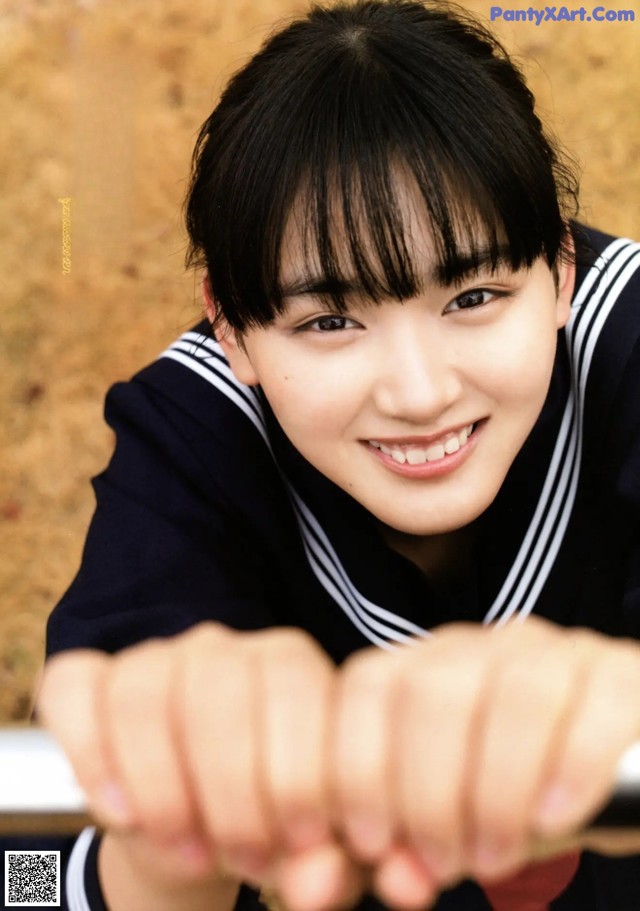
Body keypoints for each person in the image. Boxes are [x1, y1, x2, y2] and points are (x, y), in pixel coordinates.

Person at [25, 0, 640, 909]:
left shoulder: (628, 342)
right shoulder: (193, 429)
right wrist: (160, 837)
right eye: (331, 321)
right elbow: (24, 880)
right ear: (230, 326)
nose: (420, 391)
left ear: (557, 270)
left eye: (472, 297)